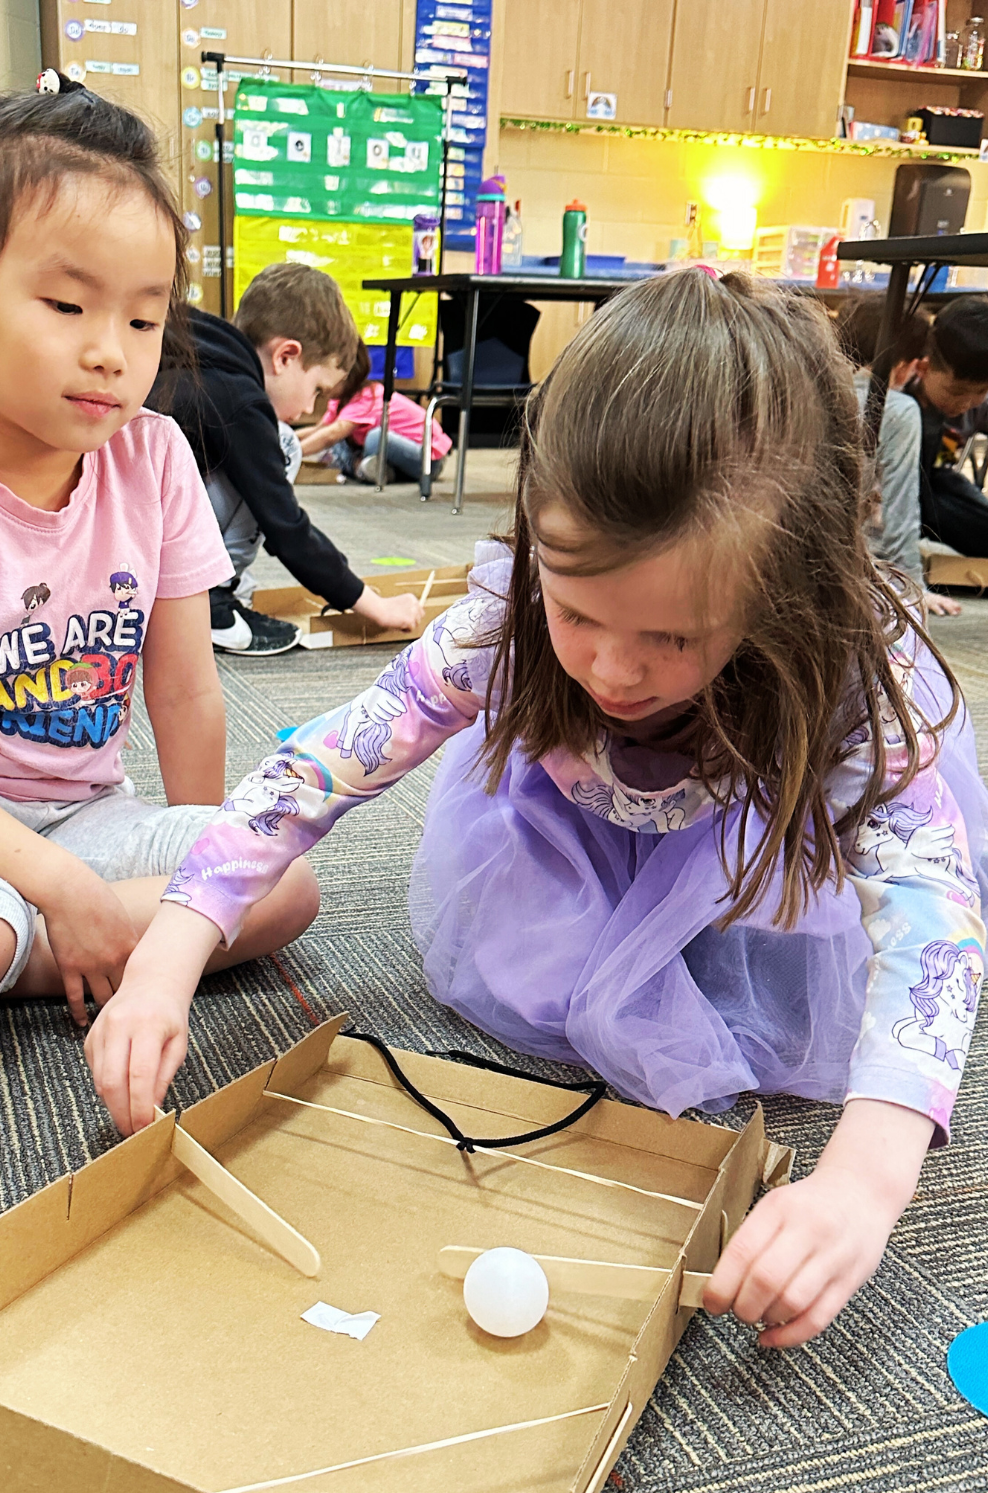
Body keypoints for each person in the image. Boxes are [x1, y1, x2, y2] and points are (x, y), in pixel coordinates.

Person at [86, 269, 988, 1353]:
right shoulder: (503, 628)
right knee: (551, 957)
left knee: (783, 980)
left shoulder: (832, 673)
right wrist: (168, 952)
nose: (612, 666)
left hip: (744, 852)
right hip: (578, 834)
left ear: (777, 593)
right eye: (578, 611)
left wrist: (862, 1183)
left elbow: (932, 916)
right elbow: (323, 767)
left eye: (675, 635)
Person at [0, 79, 319, 1232]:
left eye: (141, 319)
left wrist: (193, 881)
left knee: (281, 881)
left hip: (76, 813)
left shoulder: (158, 458)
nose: (110, 355)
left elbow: (184, 689)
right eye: (67, 306)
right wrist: (71, 896)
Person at [153, 265, 423, 657]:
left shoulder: (200, 352)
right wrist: (372, 604)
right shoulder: (240, 400)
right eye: (317, 390)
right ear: (285, 356)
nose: (310, 407)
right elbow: (286, 527)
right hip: (147, 547)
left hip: (118, 543)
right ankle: (211, 603)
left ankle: (206, 589)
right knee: (285, 444)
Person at [834, 295, 961, 616]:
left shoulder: (813, 387)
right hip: (853, 570)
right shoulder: (898, 409)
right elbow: (900, 503)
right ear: (904, 366)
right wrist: (913, 587)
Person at [297, 340, 453, 485]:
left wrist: (292, 454)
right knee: (338, 442)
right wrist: (286, 439)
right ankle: (376, 470)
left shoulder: (367, 397)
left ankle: (361, 468)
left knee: (374, 437)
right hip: (391, 458)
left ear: (346, 376)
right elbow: (320, 429)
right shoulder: (338, 400)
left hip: (427, 461)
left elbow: (331, 434)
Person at [907, 295, 988, 555]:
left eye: (982, 391)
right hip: (900, 492)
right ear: (923, 367)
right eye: (956, 391)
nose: (966, 403)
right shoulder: (901, 407)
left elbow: (944, 475)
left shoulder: (976, 407)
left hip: (939, 481)